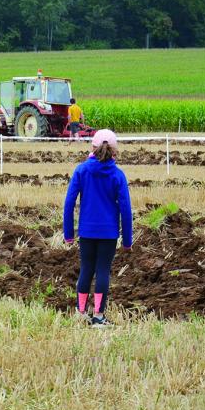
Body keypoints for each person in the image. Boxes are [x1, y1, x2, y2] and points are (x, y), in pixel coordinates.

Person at [63, 128, 133, 326]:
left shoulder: (81, 170)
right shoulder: (118, 175)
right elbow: (126, 210)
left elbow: (69, 203)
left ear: (93, 147)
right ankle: (99, 317)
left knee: (86, 270)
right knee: (102, 271)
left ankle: (81, 313)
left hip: (86, 231)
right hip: (108, 233)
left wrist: (69, 234)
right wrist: (127, 240)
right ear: (115, 151)